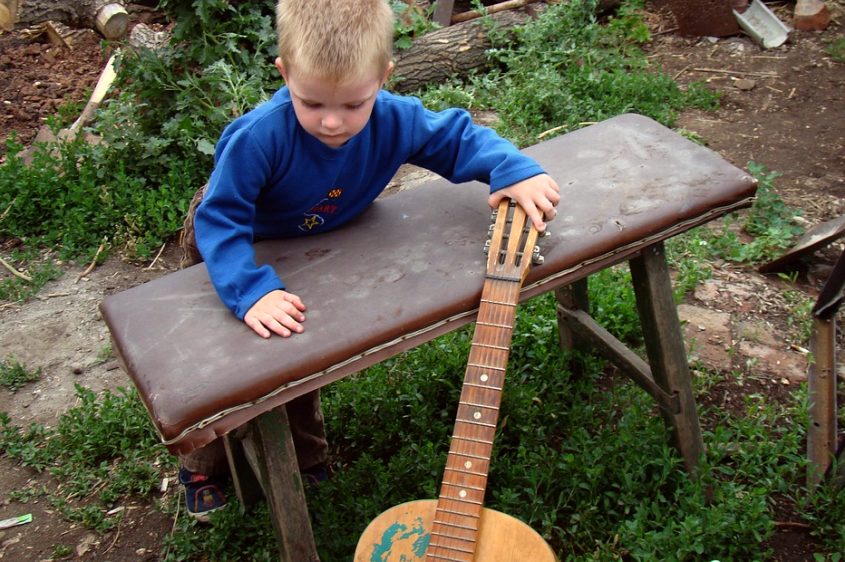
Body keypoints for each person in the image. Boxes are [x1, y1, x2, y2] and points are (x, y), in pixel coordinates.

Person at [178, 0, 561, 522]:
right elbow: (221, 219)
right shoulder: (258, 136)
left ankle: (304, 455)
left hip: (315, 239)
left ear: (384, 77)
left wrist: (512, 168)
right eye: (310, 103)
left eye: (354, 104)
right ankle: (203, 462)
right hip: (235, 244)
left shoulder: (394, 119)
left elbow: (455, 137)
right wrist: (249, 290)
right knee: (231, 362)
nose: (332, 122)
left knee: (300, 355)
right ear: (284, 73)